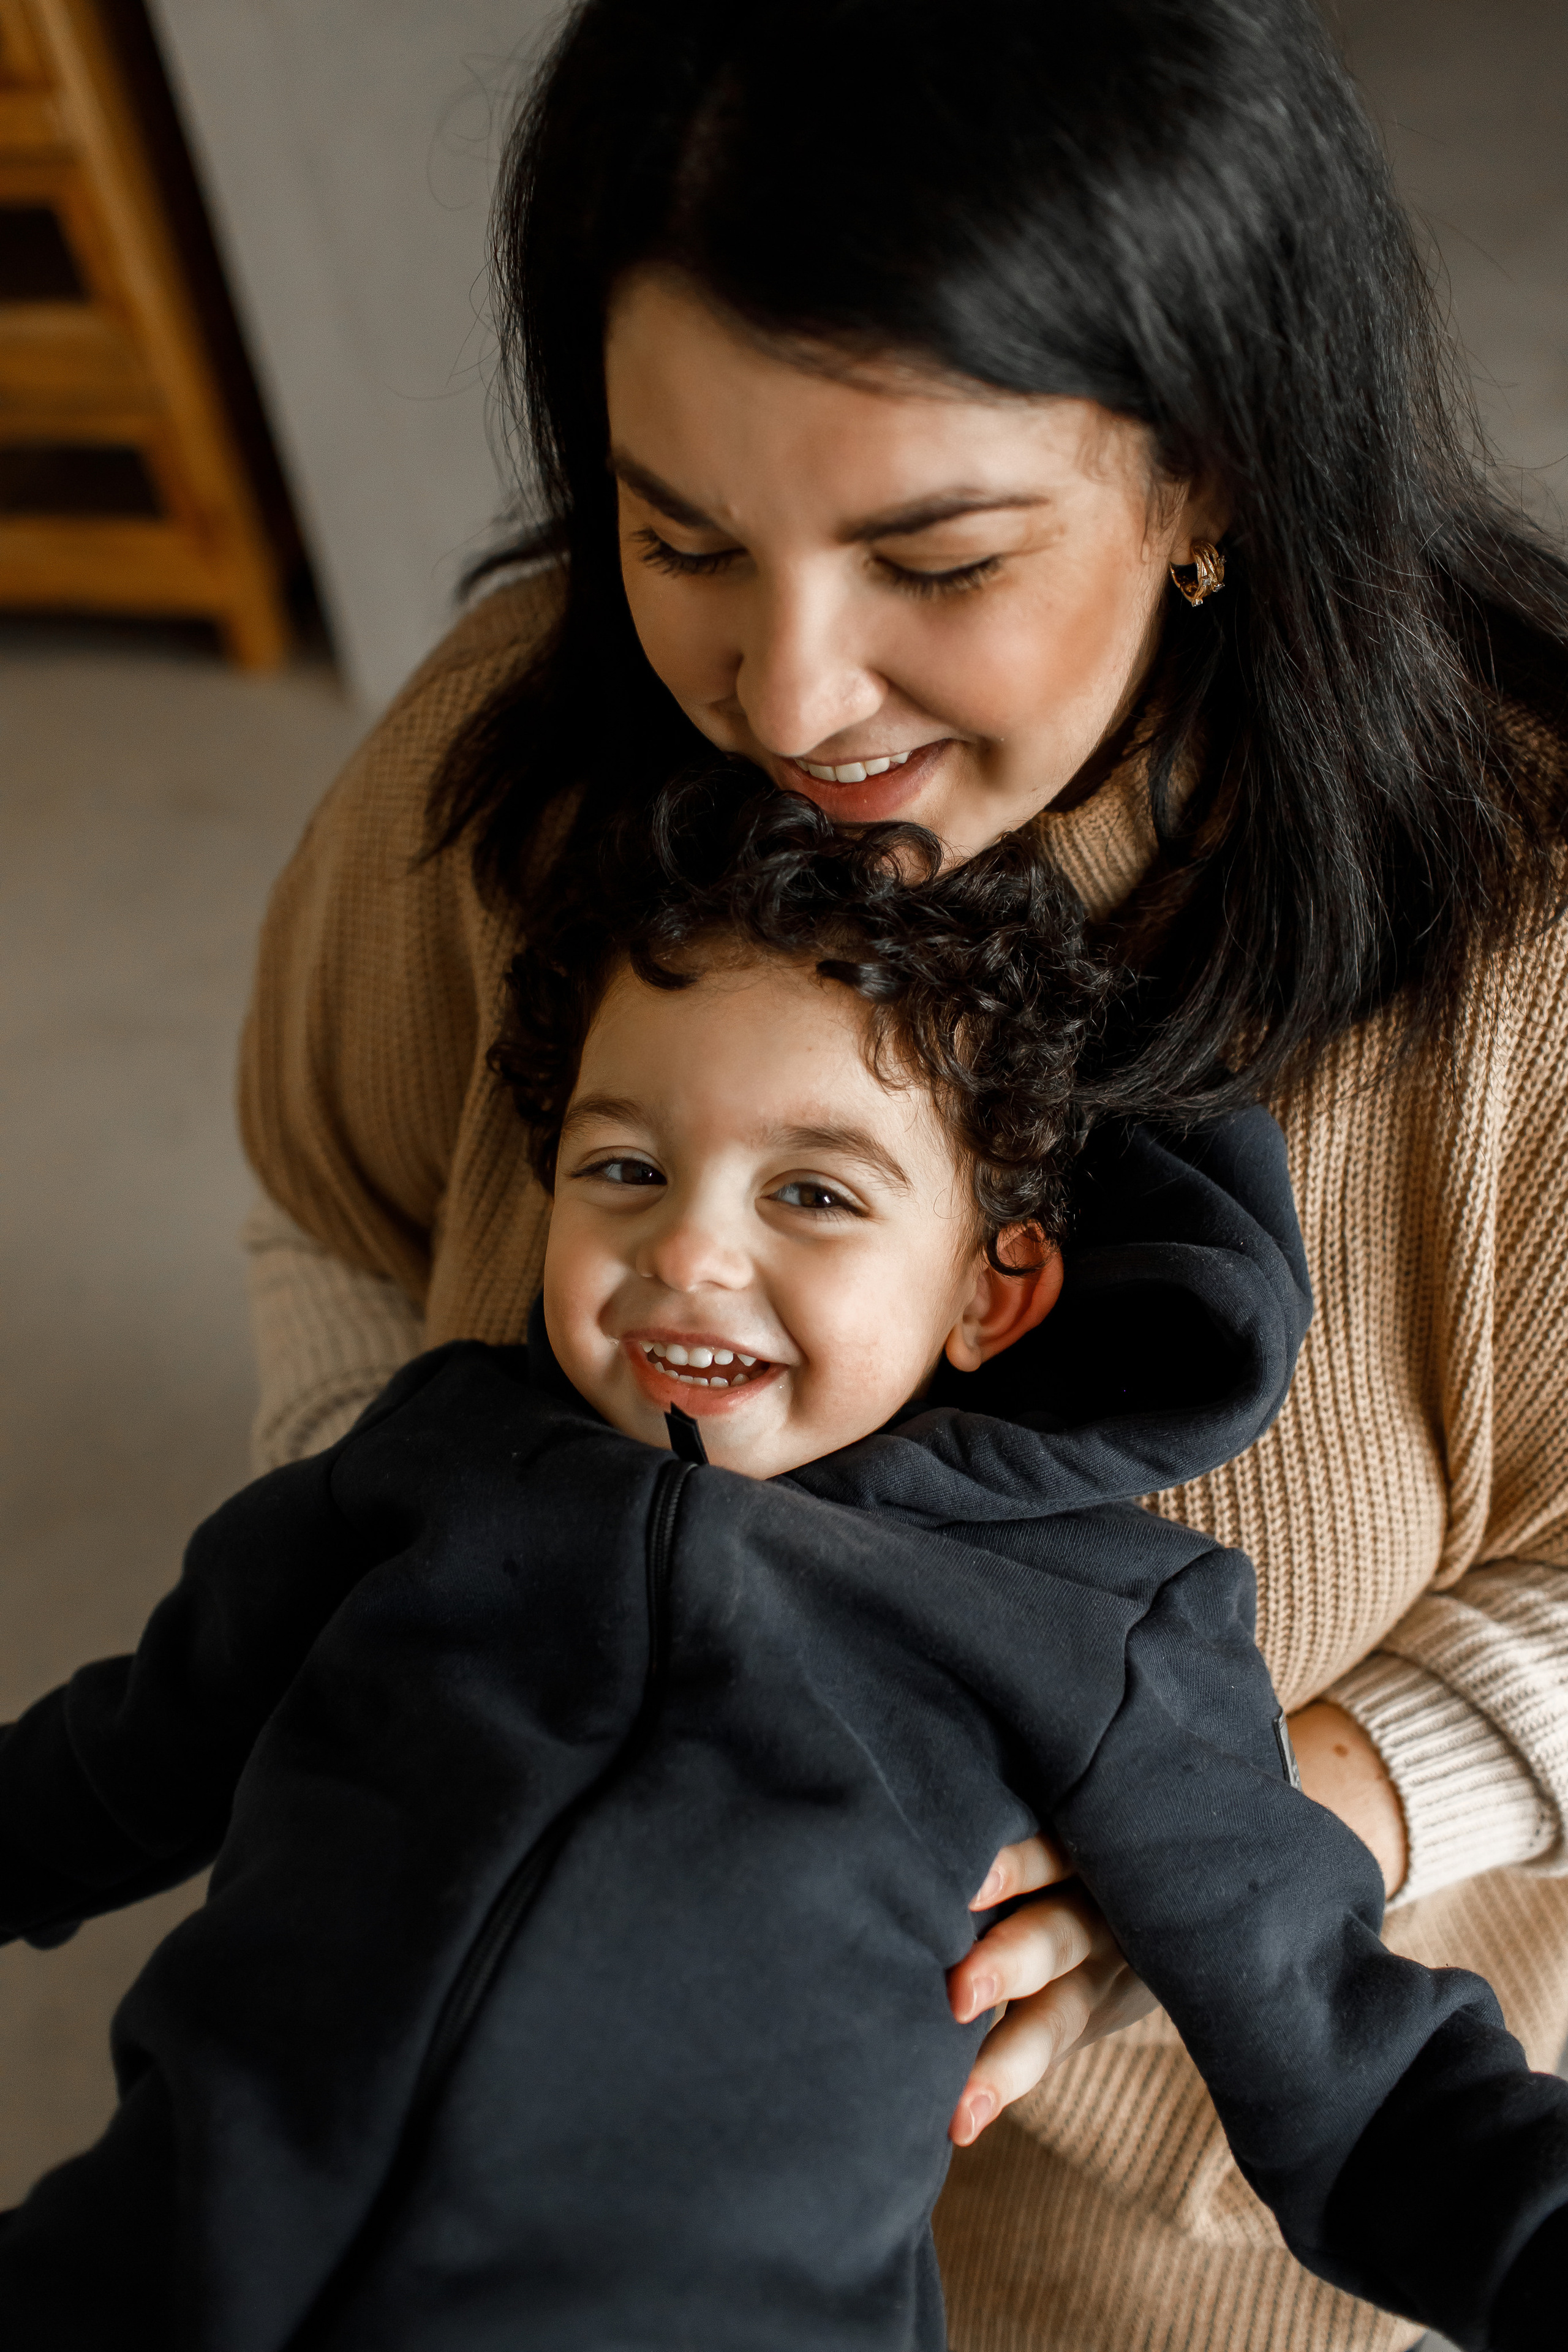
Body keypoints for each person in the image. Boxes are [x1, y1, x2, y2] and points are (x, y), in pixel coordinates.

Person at [237, 3, 1568, 2346]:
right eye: (681, 536)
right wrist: (395, 1611)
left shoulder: (1529, 922)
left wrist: (1317, 1808)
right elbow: (337, 1211)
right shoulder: (517, 759)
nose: (786, 696)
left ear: (1220, 475)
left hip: (1190, 2237)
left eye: (934, 558)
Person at [2, 789, 1564, 2352]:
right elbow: (124, 1758)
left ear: (991, 1289)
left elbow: (1352, 2078)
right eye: (622, 1168)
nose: (685, 1252)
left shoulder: (1098, 1629)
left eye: (811, 1194)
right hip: (149, 2268)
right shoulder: (431, 1457)